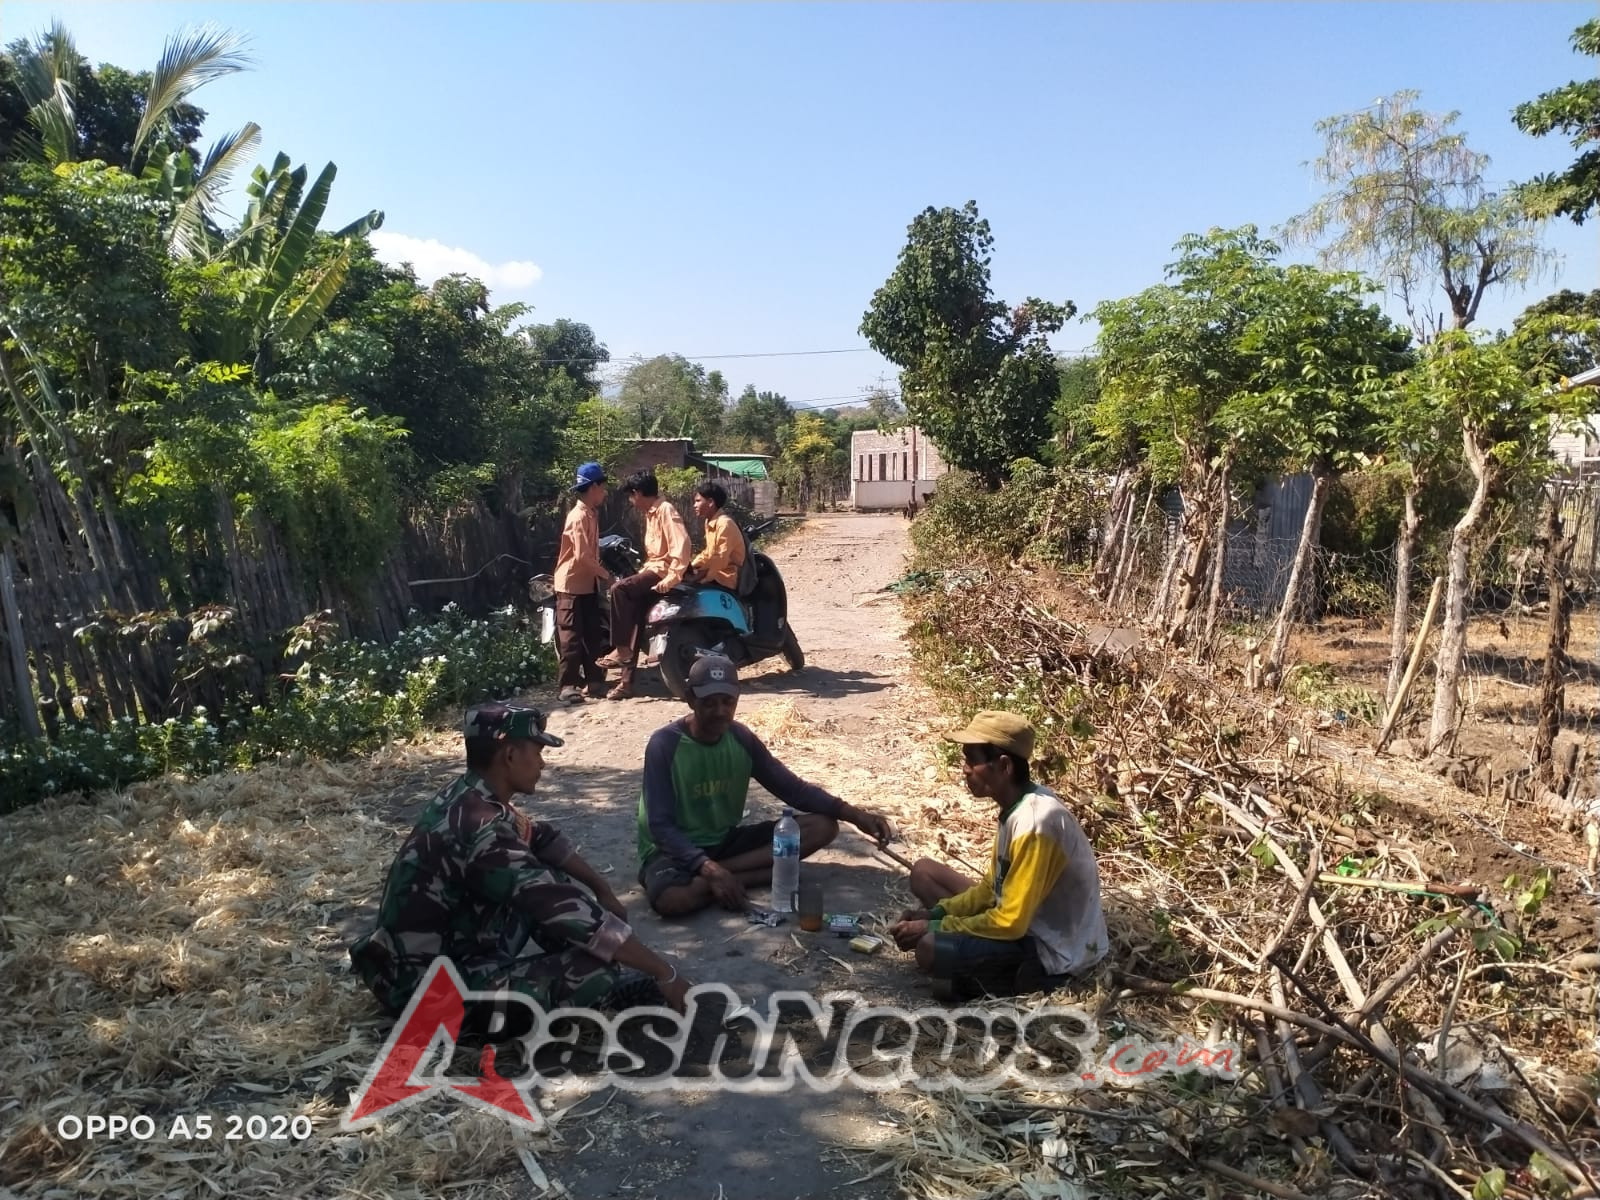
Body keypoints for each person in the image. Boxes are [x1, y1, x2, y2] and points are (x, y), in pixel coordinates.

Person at [350, 702, 693, 1021]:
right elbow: (560, 906)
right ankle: (594, 986)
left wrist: (601, 888)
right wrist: (663, 970)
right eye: (538, 752)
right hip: (425, 993)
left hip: (433, 957)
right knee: (592, 973)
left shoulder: (467, 795)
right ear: (511, 755)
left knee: (550, 878)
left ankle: (602, 957)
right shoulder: (482, 830)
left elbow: (540, 837)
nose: (542, 764)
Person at [636, 653, 895, 917]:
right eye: (709, 703)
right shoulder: (665, 745)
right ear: (691, 699)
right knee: (672, 900)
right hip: (674, 850)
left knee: (823, 826)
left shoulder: (741, 738)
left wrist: (854, 814)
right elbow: (660, 827)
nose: (720, 712)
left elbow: (792, 789)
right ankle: (736, 875)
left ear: (737, 698)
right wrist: (707, 867)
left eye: (728, 702)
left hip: (723, 842)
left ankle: (725, 876)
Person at [889, 711, 1108, 999]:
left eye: (972, 760)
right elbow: (991, 889)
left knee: (931, 949)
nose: (965, 769)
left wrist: (933, 928)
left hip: (1053, 949)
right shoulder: (1016, 808)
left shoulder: (1036, 824)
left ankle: (1022, 980)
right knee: (924, 872)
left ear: (1004, 766)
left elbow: (1010, 923)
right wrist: (935, 913)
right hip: (1024, 920)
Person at [601, 472, 692, 700]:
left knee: (618, 589)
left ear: (638, 493)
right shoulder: (651, 515)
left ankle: (620, 648)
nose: (632, 503)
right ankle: (626, 683)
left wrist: (672, 577)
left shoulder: (666, 510)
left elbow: (681, 545)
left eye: (631, 497)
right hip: (652, 570)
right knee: (633, 614)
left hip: (662, 572)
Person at [553, 462, 612, 704]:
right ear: (594, 487)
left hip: (587, 584)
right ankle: (568, 686)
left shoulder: (591, 514)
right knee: (571, 636)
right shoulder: (577, 517)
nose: (605, 492)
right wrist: (607, 576)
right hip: (570, 585)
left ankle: (594, 681)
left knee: (592, 633)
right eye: (603, 488)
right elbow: (582, 556)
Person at [684, 480, 746, 592]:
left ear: (710, 502)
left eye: (698, 501)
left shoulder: (725, 524)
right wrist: (692, 566)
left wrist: (699, 577)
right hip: (715, 571)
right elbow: (708, 553)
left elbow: (720, 559)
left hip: (727, 576)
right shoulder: (709, 522)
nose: (694, 505)